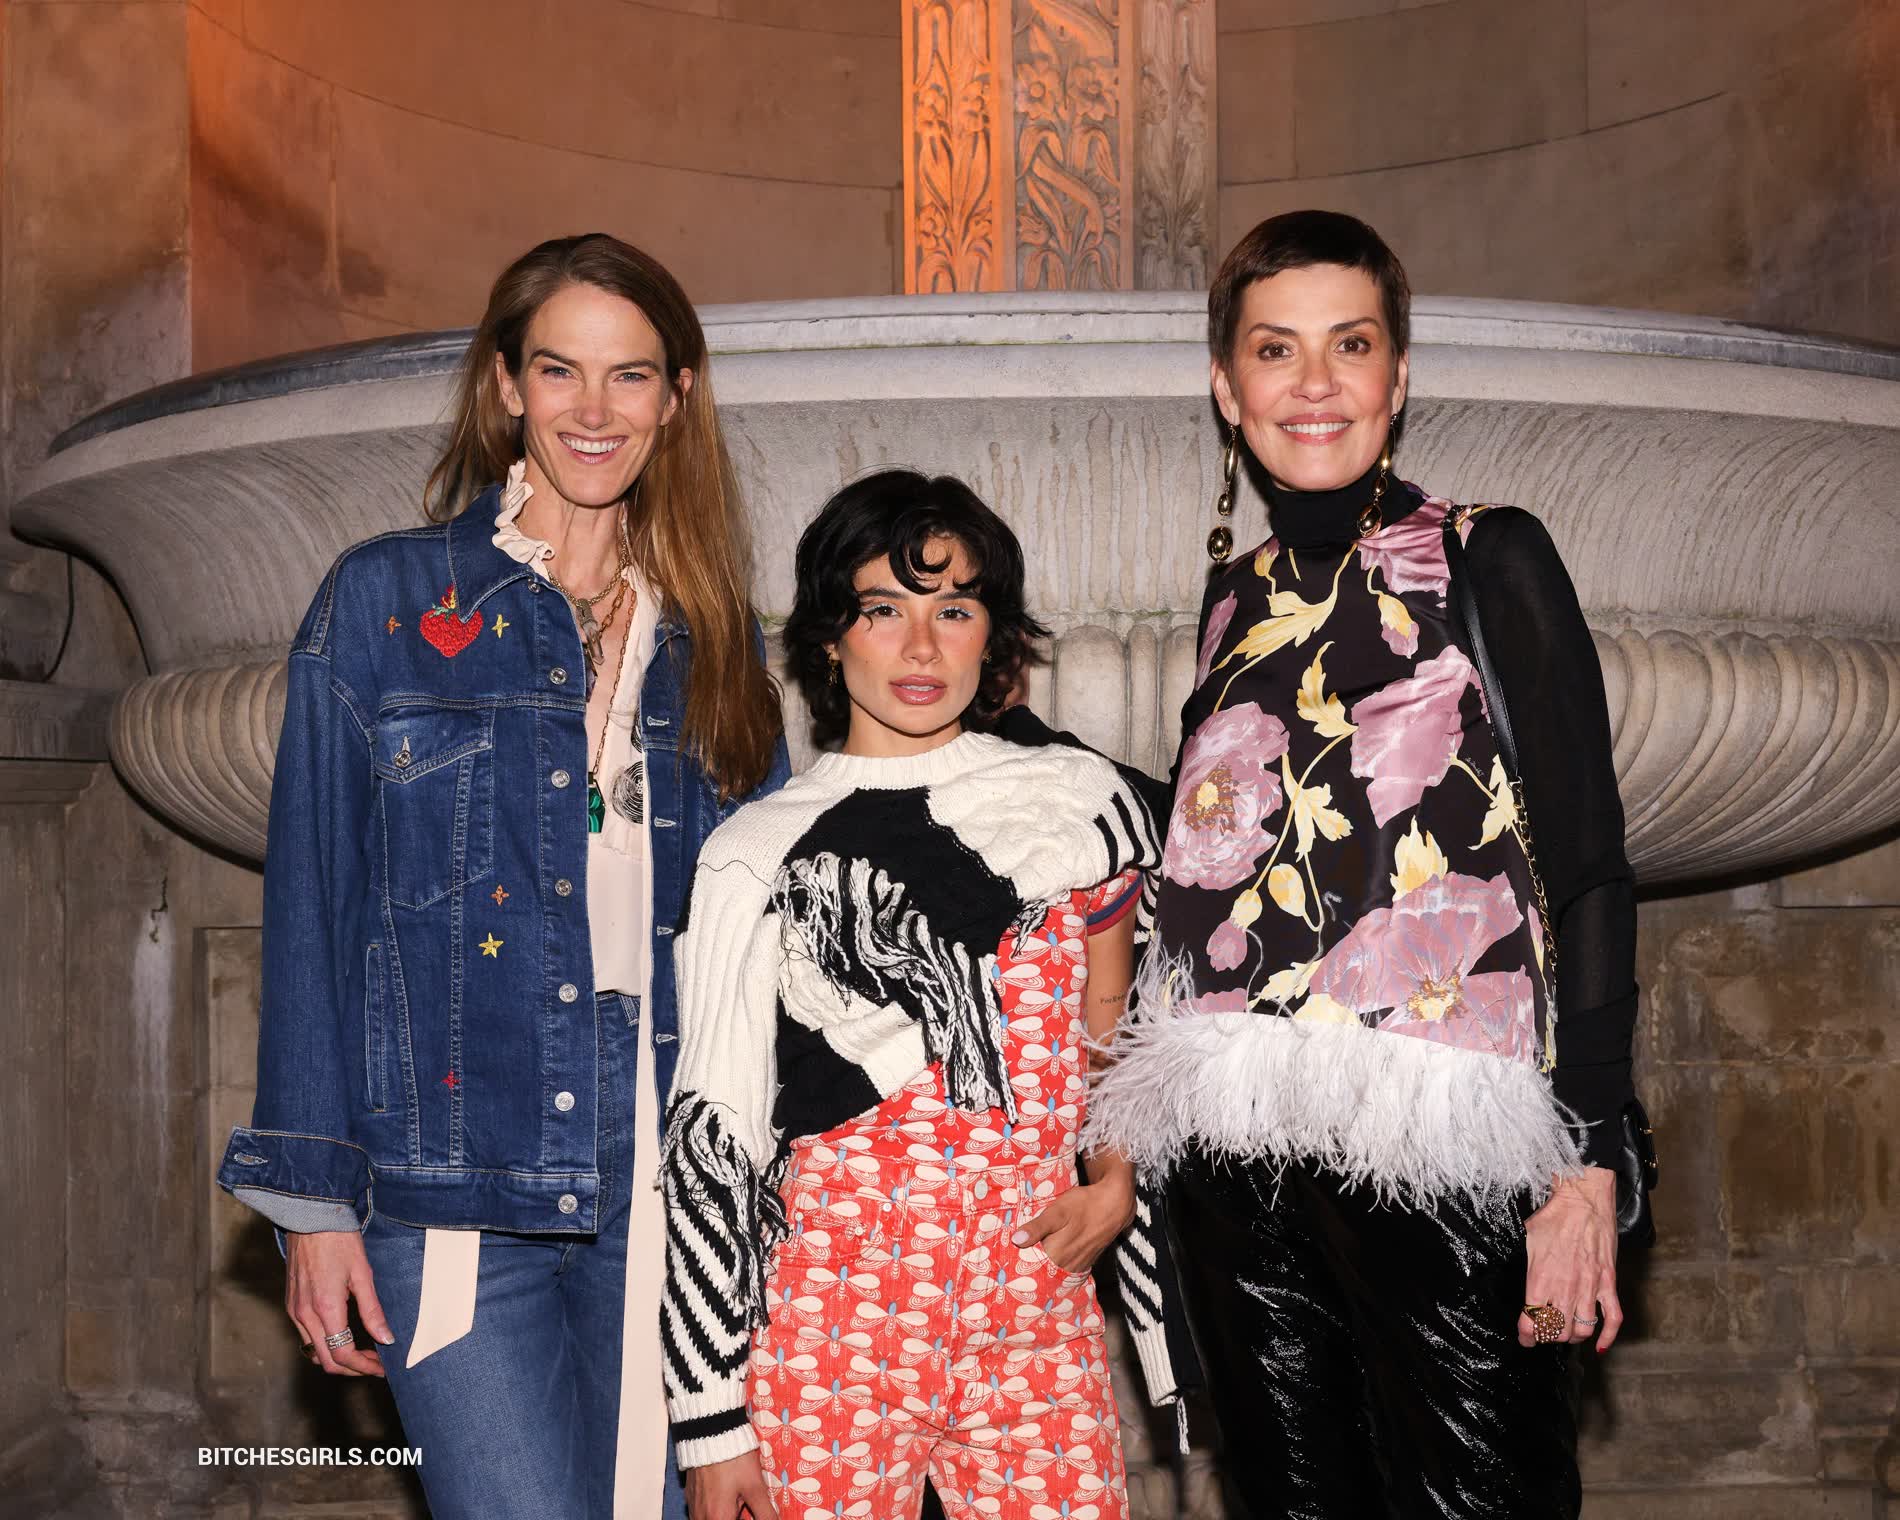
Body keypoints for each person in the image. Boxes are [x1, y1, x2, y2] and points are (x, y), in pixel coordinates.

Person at [215, 232, 788, 1520]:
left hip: (668, 1181)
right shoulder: (385, 603)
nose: (595, 409)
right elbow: (313, 908)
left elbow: (764, 940)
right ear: (507, 384)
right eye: (560, 369)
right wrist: (313, 1204)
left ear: (676, 397)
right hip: (451, 1178)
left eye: (630, 374)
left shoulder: (717, 638)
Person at [1087, 210, 1639, 1518]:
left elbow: (1590, 868)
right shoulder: (1233, 596)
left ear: (1396, 374)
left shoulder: (1487, 553)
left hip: (1442, 1133)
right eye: (1275, 349)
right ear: (1228, 386)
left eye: (1350, 344)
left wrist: (1588, 1160)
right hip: (1232, 1145)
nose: (1315, 383)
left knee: (1482, 1496)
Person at [658, 470, 1170, 1520]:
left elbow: (1115, 1022)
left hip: (1034, 1319)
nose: (923, 647)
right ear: (829, 638)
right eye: (884, 610)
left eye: (955, 609)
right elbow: (712, 1132)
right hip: (825, 1334)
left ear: (995, 635)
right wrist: (710, 1420)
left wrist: (1115, 1178)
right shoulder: (754, 850)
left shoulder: (1080, 801)